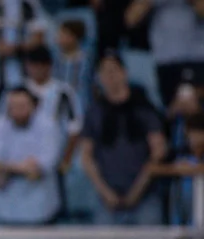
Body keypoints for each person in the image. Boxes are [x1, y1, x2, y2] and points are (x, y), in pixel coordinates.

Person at [81, 52, 168, 225]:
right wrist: (105, 192)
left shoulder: (145, 108)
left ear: (124, 72)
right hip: (107, 198)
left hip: (145, 196)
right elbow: (86, 156)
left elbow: (159, 152)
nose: (109, 76)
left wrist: (137, 190)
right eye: (104, 72)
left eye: (113, 70)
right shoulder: (94, 112)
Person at [0, 87, 63, 224]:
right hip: (6, 209)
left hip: (40, 209)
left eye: (22, 106)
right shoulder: (1, 125)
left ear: (34, 106)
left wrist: (5, 169)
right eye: (12, 107)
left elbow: (45, 165)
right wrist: (23, 167)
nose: (17, 111)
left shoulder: (48, 126)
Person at [125, 0, 204, 107]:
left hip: (197, 59)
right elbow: (130, 19)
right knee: (172, 109)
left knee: (193, 109)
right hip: (167, 62)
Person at [152, 112, 204, 224]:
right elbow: (154, 168)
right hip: (180, 205)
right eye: (192, 133)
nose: (195, 138)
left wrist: (191, 169)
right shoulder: (179, 152)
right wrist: (175, 169)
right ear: (186, 132)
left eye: (199, 133)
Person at [54, 19, 91, 108]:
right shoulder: (55, 59)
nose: (59, 38)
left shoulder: (86, 61)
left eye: (63, 35)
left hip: (81, 104)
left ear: (73, 37)